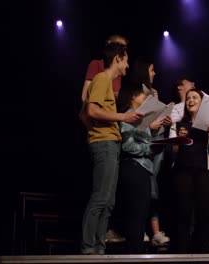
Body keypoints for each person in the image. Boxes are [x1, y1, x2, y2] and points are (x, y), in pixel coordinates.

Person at [79, 42, 143, 255]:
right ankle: (88, 248)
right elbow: (91, 110)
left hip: (111, 144)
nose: (127, 65)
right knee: (100, 197)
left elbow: (87, 113)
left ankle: (98, 248)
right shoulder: (102, 79)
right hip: (104, 143)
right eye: (125, 60)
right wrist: (122, 117)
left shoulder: (106, 82)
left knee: (108, 201)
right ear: (118, 58)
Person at [116, 82, 167, 253]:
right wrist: (149, 148)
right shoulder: (129, 115)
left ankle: (135, 253)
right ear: (132, 97)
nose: (145, 98)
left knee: (139, 215)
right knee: (135, 216)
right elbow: (128, 146)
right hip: (134, 167)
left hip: (142, 168)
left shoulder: (138, 117)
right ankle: (133, 254)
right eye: (142, 95)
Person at [169, 88, 209, 253]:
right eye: (188, 97)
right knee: (183, 214)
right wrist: (179, 140)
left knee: (203, 215)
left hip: (204, 172)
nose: (191, 100)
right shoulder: (178, 123)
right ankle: (181, 253)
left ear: (201, 102)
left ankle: (202, 253)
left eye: (195, 97)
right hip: (182, 171)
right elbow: (173, 153)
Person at [127, 58, 172, 245]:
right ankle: (140, 230)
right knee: (144, 188)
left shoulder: (153, 92)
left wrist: (165, 120)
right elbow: (132, 119)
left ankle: (154, 230)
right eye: (152, 70)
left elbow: (156, 116)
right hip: (143, 141)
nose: (154, 73)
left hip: (157, 141)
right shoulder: (135, 92)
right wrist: (150, 126)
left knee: (154, 188)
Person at [81, 34, 128, 102]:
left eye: (124, 47)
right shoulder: (96, 64)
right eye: (120, 46)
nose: (122, 50)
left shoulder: (118, 72)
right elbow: (85, 96)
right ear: (109, 44)